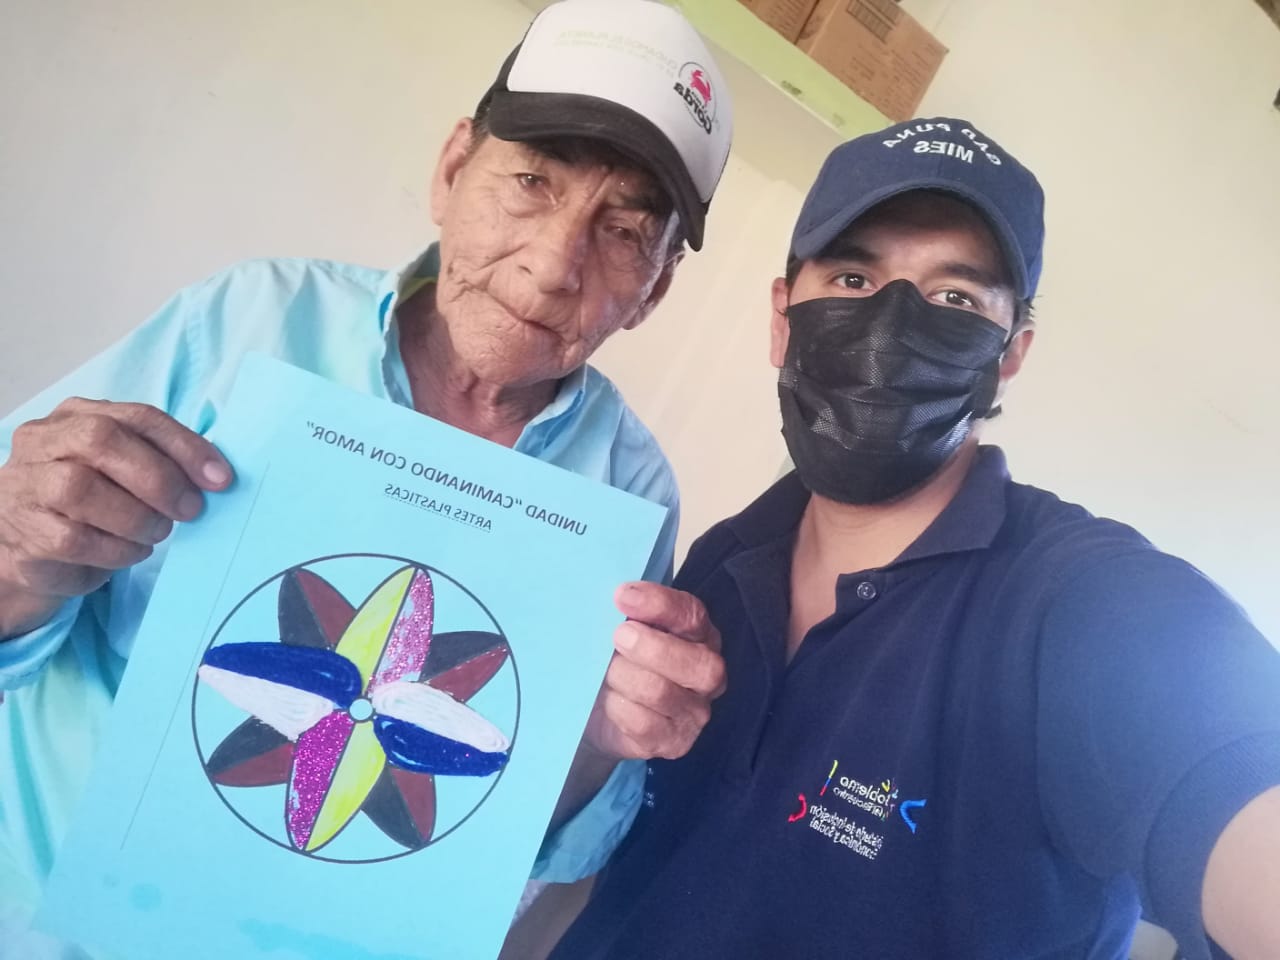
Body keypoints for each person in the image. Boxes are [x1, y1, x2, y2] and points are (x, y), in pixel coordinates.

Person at [0, 0, 731, 951]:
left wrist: (597, 741)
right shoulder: (248, 325)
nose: (556, 264)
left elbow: (531, 834)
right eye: (530, 182)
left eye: (624, 232)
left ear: (655, 289)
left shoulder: (630, 491)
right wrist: (19, 549)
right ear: (453, 169)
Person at [549, 117, 1280, 960]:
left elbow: (1227, 774)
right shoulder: (720, 563)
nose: (892, 324)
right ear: (783, 318)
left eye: (956, 297)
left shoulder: (1083, 610)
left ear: (1009, 355)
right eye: (854, 277)